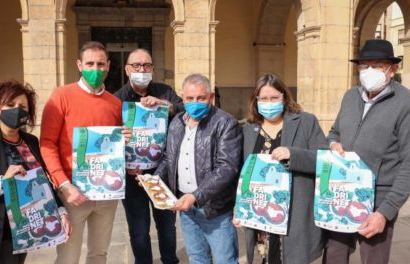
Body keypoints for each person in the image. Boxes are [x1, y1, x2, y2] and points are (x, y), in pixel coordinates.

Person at [323, 39, 410, 264]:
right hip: (341, 193)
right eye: (364, 66)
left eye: (377, 66)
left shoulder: (405, 103)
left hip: (378, 200)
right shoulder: (350, 96)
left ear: (393, 70)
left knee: (373, 259)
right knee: (334, 255)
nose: (369, 71)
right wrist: (333, 144)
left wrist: (385, 211)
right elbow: (334, 132)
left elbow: (409, 163)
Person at [40, 41, 128, 264]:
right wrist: (63, 185)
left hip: (106, 194)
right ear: (79, 65)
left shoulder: (115, 103)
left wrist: (124, 139)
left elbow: (113, 148)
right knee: (68, 256)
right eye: (90, 63)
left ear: (108, 66)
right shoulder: (61, 96)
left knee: (99, 254)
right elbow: (47, 144)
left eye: (100, 64)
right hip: (72, 193)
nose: (95, 69)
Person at [0, 80, 70, 264]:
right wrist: (1, 182)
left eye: (22, 106)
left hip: (26, 228)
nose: (16, 109)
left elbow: (42, 180)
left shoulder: (30, 141)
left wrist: (60, 210)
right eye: (10, 105)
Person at [232, 73, 327, 264]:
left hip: (294, 213)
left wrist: (294, 154)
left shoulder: (305, 122)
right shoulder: (249, 129)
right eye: (264, 98)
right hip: (261, 213)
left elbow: (325, 161)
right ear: (256, 100)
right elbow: (244, 172)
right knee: (268, 257)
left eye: (274, 97)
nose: (269, 102)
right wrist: (239, 206)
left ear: (284, 97)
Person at [155, 73, 243, 263]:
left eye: (201, 98)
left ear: (210, 97)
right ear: (183, 98)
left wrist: (196, 196)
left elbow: (227, 167)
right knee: (197, 259)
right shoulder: (177, 123)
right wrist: (153, 180)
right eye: (190, 98)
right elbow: (168, 158)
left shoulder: (226, 123)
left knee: (225, 260)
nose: (195, 102)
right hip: (187, 210)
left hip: (215, 210)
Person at [114, 48, 182, 264]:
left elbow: (183, 111)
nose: (142, 69)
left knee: (167, 226)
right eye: (136, 65)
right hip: (133, 176)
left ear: (152, 68)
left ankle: (170, 260)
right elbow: (108, 138)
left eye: (147, 65)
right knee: (139, 230)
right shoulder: (116, 99)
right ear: (127, 69)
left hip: (163, 172)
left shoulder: (165, 91)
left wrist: (164, 105)